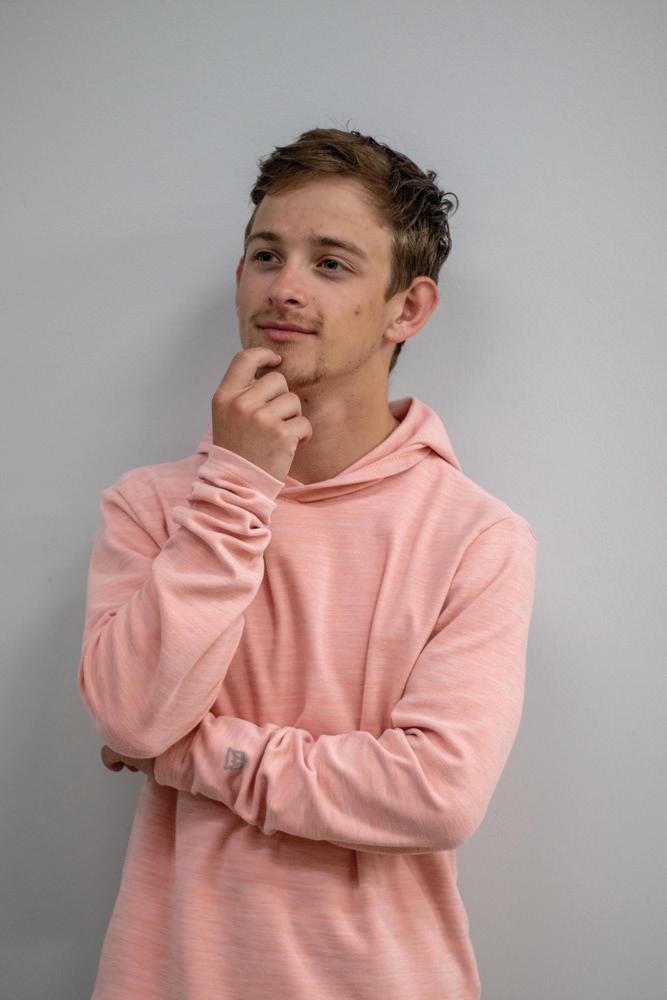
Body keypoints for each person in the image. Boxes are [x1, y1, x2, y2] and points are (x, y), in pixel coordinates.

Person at [79, 126, 538, 1000]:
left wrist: (190, 754)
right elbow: (134, 722)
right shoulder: (152, 506)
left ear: (407, 309)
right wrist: (238, 485)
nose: (283, 288)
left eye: (330, 263)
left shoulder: (475, 537)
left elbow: (435, 795)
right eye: (266, 255)